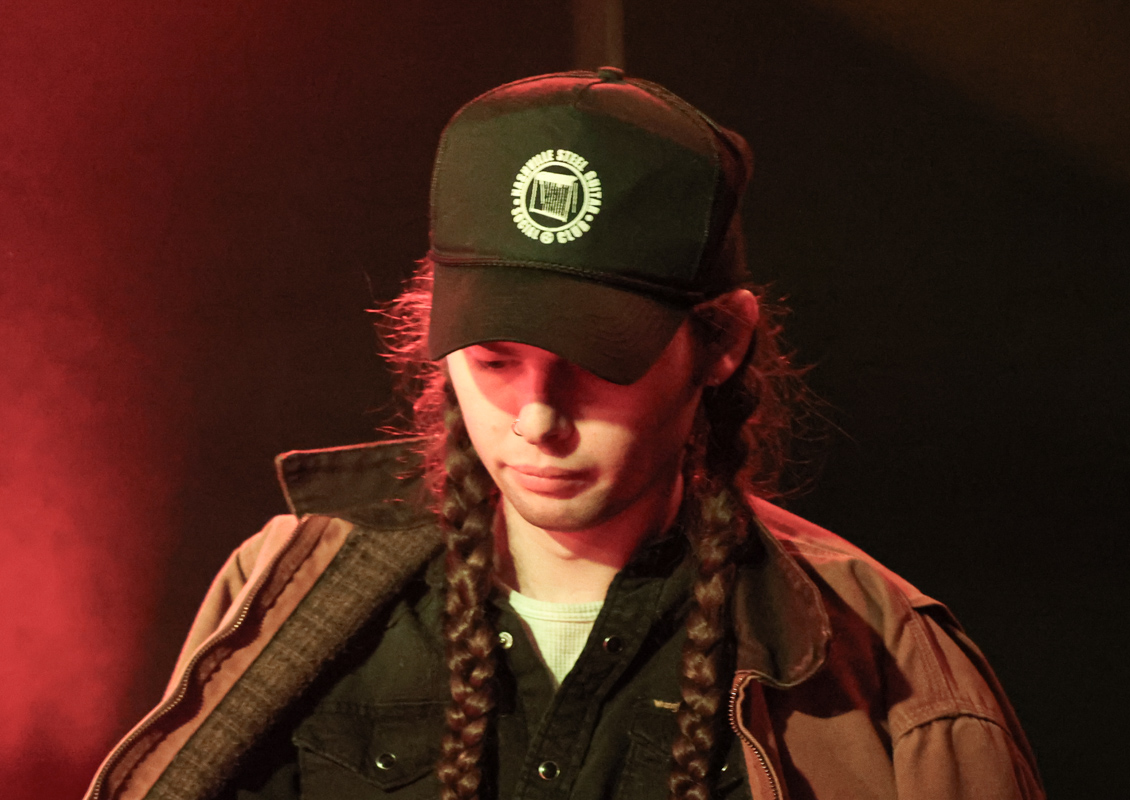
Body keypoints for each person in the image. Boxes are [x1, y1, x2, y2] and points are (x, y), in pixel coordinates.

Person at [86, 68, 1045, 800]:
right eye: (495, 359)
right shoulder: (284, 591)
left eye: (596, 361)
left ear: (720, 343)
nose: (537, 419)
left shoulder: (890, 669)